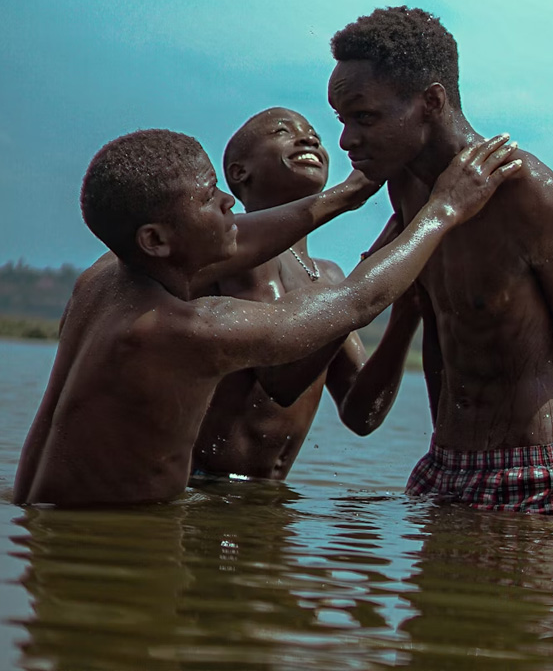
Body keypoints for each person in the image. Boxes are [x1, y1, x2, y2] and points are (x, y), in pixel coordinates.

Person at [14, 125, 519, 507]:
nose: (227, 202)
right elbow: (354, 303)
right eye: (210, 199)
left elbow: (244, 241)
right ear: (157, 240)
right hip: (114, 551)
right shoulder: (185, 331)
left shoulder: (103, 279)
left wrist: (345, 196)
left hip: (49, 524)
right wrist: (444, 210)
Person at [328, 5, 553, 518]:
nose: (347, 139)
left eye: (365, 118)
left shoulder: (528, 193)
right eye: (343, 120)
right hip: (448, 462)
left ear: (431, 101)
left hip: (538, 470)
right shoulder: (409, 185)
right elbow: (440, 325)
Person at [191, 107, 414, 480]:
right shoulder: (233, 250)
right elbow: (279, 377)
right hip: (209, 494)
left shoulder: (329, 277)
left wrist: (405, 315)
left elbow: (362, 415)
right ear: (239, 172)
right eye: (283, 130)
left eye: (314, 134)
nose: (309, 138)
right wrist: (366, 285)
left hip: (269, 502)